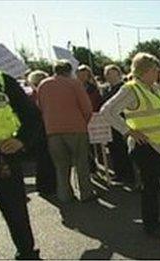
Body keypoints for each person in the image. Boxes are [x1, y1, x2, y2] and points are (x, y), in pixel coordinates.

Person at [101, 52, 160, 237]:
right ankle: (152, 225)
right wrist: (128, 131)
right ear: (145, 70)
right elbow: (107, 111)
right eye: (155, 69)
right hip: (145, 147)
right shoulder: (131, 89)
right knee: (151, 188)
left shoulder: (156, 88)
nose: (158, 72)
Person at [0, 54, 41, 258]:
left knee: (16, 212)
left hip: (1, 157)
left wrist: (21, 140)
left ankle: (27, 253)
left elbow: (32, 116)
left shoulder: (2, 81)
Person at [38, 60, 96, 203]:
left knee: (60, 165)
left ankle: (64, 195)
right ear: (69, 71)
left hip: (52, 130)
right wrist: (84, 123)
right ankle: (86, 193)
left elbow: (40, 106)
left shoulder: (43, 85)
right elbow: (87, 107)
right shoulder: (74, 84)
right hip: (75, 128)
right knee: (81, 163)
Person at [100, 64, 136, 184]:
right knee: (114, 150)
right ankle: (119, 174)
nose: (108, 76)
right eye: (106, 73)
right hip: (111, 124)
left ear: (118, 74)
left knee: (125, 151)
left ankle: (130, 176)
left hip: (123, 124)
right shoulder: (106, 89)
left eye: (110, 73)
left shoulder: (124, 88)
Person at [26, 70, 57, 195]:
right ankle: (50, 186)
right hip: (46, 128)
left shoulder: (29, 97)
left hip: (35, 131)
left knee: (41, 160)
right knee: (49, 159)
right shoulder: (48, 95)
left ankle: (43, 186)